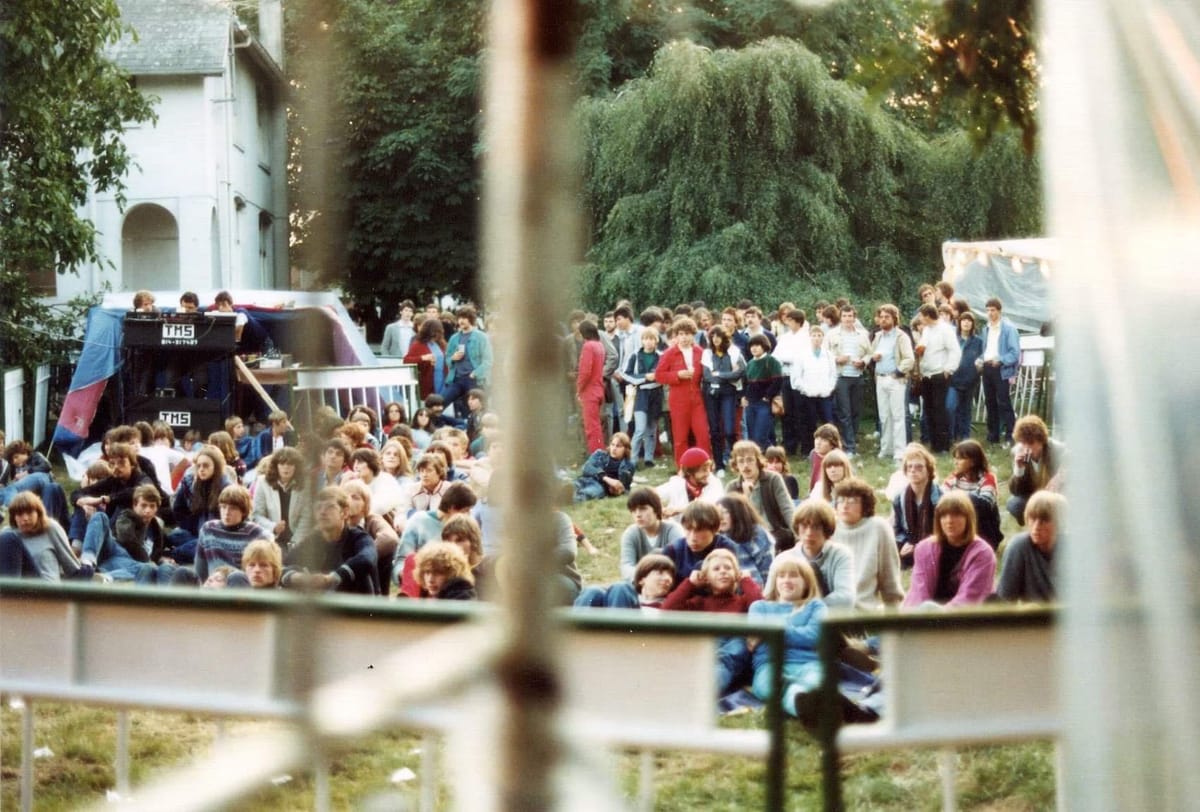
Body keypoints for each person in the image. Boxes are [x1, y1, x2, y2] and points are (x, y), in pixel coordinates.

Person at [661, 547, 763, 694]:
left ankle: (702, 690)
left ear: (736, 574)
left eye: (728, 568)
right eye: (716, 569)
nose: (723, 571)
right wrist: (690, 583)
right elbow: (667, 610)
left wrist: (746, 580)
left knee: (738, 643)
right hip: (705, 650)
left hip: (730, 654)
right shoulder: (700, 603)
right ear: (706, 577)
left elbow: (760, 607)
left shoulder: (743, 601)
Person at [747, 555, 828, 717]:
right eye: (781, 576)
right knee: (769, 686)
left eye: (794, 575)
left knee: (814, 683)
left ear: (806, 581)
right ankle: (805, 707)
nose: (786, 580)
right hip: (769, 663)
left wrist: (774, 628)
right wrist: (797, 629)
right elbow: (753, 640)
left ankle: (808, 706)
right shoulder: (759, 607)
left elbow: (814, 636)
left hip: (807, 662)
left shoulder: (815, 606)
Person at [903, 491, 996, 608]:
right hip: (926, 616)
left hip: (963, 619)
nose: (949, 521)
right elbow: (919, 593)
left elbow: (970, 597)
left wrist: (939, 617)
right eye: (944, 515)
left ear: (968, 518)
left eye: (956, 515)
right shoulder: (924, 548)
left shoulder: (983, 553)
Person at [282, 486, 379, 594]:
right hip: (323, 606)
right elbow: (283, 564)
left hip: (358, 605)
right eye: (318, 507)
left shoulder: (359, 537)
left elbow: (367, 558)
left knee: (360, 572)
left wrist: (331, 579)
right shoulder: (312, 541)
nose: (322, 512)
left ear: (345, 512)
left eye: (330, 507)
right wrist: (298, 577)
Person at [830, 478, 905, 610]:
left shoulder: (878, 527)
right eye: (841, 500)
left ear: (865, 505)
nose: (845, 505)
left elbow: (890, 578)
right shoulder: (830, 527)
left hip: (864, 610)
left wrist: (893, 613)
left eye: (852, 501)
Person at [78, 484, 170, 583]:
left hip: (128, 563)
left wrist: (162, 559)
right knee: (100, 516)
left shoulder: (156, 530)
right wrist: (148, 560)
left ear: (156, 509)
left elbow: (160, 551)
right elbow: (126, 539)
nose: (147, 510)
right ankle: (87, 561)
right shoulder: (127, 516)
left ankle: (105, 578)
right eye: (143, 505)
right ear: (135, 505)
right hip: (114, 548)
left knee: (148, 569)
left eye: (152, 506)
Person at [182, 485, 269, 586]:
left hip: (238, 587)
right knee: (183, 572)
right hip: (213, 586)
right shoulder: (208, 529)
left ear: (243, 511)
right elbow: (200, 569)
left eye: (233, 508)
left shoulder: (256, 533)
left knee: (236, 577)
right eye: (223, 507)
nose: (227, 512)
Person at [655, 316, 712, 468]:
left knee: (703, 435)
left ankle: (705, 465)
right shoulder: (669, 353)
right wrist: (677, 375)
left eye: (687, 334)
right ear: (676, 336)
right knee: (680, 437)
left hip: (697, 399)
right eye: (681, 334)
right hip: (678, 400)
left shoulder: (700, 352)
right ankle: (682, 468)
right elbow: (659, 375)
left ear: (693, 335)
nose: (684, 338)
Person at [996, 490, 1064, 602]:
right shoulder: (1018, 547)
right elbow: (1005, 601)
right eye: (1033, 518)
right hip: (1032, 617)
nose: (1036, 526)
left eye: (1044, 520)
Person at [726, 441, 794, 551]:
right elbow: (731, 520)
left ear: (757, 461)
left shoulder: (773, 479)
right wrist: (746, 497)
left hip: (775, 532)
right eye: (741, 461)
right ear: (736, 465)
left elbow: (787, 509)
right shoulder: (732, 487)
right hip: (746, 537)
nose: (746, 465)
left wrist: (798, 535)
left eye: (750, 460)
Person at [0, 492, 85, 581]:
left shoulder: (50, 528)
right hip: (18, 590)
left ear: (38, 513)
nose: (25, 518)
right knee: (7, 537)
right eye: (20, 514)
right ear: (14, 517)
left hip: (44, 589)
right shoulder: (8, 535)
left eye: (29, 512)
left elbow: (73, 567)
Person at [788, 500, 855, 608]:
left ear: (827, 530)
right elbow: (771, 598)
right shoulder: (785, 559)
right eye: (804, 526)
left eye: (816, 527)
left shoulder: (841, 555)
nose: (809, 533)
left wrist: (808, 609)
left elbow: (846, 598)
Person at [870, 304, 916, 461]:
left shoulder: (901, 336)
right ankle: (886, 449)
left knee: (898, 416)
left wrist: (898, 372)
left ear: (894, 318)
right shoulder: (878, 336)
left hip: (895, 379)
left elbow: (909, 358)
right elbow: (871, 354)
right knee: (884, 416)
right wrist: (873, 358)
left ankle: (899, 451)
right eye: (881, 317)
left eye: (887, 317)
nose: (883, 320)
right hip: (880, 378)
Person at [824, 305, 872, 456]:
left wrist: (863, 362)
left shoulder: (862, 335)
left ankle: (852, 441)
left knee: (856, 412)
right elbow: (825, 355)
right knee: (844, 413)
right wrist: (837, 359)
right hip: (841, 376)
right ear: (840, 317)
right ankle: (849, 447)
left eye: (850, 316)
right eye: (844, 316)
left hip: (857, 376)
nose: (847, 319)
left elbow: (869, 353)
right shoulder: (832, 334)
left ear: (854, 317)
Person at [915, 303, 962, 453]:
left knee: (939, 410)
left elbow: (955, 351)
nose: (920, 319)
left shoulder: (946, 329)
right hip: (926, 375)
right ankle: (934, 444)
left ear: (928, 316)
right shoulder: (927, 329)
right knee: (929, 410)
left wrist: (949, 369)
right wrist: (920, 348)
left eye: (921, 316)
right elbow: (923, 346)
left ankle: (944, 446)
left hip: (939, 374)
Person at [341, 479, 400, 596]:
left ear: (365, 504)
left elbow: (390, 539)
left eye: (355, 497)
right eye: (345, 496)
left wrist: (361, 556)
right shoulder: (338, 521)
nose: (349, 500)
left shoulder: (372, 519)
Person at [701, 325, 745, 474]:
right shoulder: (707, 353)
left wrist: (719, 374)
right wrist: (726, 375)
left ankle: (735, 461)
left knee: (729, 429)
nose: (715, 339)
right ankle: (719, 464)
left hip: (728, 392)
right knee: (714, 429)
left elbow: (739, 372)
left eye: (718, 336)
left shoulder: (734, 351)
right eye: (713, 336)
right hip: (711, 393)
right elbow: (707, 375)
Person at [661, 500, 739, 583]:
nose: (692, 538)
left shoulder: (726, 548)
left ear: (715, 529)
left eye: (699, 530)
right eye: (688, 529)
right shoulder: (672, 550)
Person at [943, 439, 1003, 549]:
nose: (956, 462)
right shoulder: (954, 478)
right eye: (955, 458)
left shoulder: (987, 478)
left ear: (973, 461)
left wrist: (958, 497)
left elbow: (985, 504)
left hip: (983, 528)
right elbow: (942, 499)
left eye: (960, 458)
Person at [1007, 414, 1065, 525]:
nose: (1026, 447)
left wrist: (1059, 477)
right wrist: (1019, 469)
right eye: (1023, 442)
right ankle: (1032, 522)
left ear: (1041, 441)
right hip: (1033, 494)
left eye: (1031, 443)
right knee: (1014, 504)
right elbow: (1016, 491)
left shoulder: (1057, 449)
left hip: (1055, 494)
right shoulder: (1017, 452)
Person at [251, 447, 313, 550]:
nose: (286, 468)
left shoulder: (305, 484)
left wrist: (295, 542)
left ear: (296, 467)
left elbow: (306, 516)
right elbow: (257, 515)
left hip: (297, 539)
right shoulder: (262, 482)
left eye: (290, 464)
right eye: (282, 464)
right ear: (276, 466)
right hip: (271, 539)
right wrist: (273, 527)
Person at [978, 297, 1021, 445]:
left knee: (1003, 402)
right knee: (989, 402)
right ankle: (993, 434)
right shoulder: (985, 329)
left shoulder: (1009, 329)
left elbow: (1015, 353)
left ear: (999, 311)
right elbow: (986, 351)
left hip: (1001, 369)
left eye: (993, 310)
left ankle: (1011, 434)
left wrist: (1001, 360)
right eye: (988, 310)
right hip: (987, 368)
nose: (990, 313)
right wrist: (979, 360)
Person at [618, 488, 685, 580]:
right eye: (633, 510)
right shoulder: (630, 533)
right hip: (641, 584)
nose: (638, 514)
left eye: (643, 509)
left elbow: (680, 563)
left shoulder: (673, 530)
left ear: (656, 509)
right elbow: (626, 566)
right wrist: (646, 579)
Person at [440, 305, 493, 417]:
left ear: (471, 319)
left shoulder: (481, 337)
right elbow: (447, 357)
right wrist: (452, 358)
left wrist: (475, 373)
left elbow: (488, 360)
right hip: (456, 379)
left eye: (464, 318)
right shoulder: (454, 338)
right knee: (440, 403)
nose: (461, 321)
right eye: (459, 318)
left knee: (472, 411)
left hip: (473, 380)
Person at [623, 326, 664, 469]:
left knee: (651, 429)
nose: (648, 342)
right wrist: (644, 377)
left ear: (656, 341)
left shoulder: (661, 356)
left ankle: (648, 458)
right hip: (641, 394)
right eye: (646, 339)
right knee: (639, 428)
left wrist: (657, 377)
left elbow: (665, 374)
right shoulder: (635, 356)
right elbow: (626, 374)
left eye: (651, 339)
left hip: (656, 394)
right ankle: (632, 460)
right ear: (642, 341)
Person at [574, 553, 677, 609]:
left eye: (670, 575)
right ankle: (574, 636)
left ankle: (618, 642)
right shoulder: (628, 597)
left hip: (636, 639)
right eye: (660, 573)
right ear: (642, 579)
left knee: (621, 588)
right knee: (593, 592)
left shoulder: (668, 603)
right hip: (604, 638)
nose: (668, 579)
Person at [715, 494, 774, 585]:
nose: (721, 518)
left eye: (725, 512)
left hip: (754, 587)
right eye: (718, 513)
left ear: (738, 513)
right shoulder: (717, 538)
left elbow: (766, 567)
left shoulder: (755, 533)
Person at [655, 446, 725, 519]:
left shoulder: (714, 482)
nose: (708, 473)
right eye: (704, 470)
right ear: (689, 472)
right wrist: (661, 509)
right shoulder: (677, 483)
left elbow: (705, 505)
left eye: (709, 469)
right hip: (679, 529)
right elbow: (653, 494)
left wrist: (677, 510)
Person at [742, 334, 784, 451]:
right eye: (751, 346)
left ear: (764, 346)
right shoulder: (750, 363)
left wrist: (767, 397)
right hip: (751, 404)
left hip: (764, 404)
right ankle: (759, 460)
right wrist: (744, 397)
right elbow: (747, 383)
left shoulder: (771, 361)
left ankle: (774, 457)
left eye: (757, 345)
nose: (754, 348)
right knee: (751, 437)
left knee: (761, 436)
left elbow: (777, 381)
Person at [947, 310, 983, 442]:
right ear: (959, 322)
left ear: (973, 324)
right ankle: (950, 436)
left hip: (970, 380)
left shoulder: (978, 341)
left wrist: (980, 362)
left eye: (969, 321)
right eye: (964, 320)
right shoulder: (953, 339)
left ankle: (965, 437)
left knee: (966, 410)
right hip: (953, 380)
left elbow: (982, 356)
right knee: (950, 407)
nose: (966, 323)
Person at [574, 319, 607, 454]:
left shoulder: (588, 346)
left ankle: (596, 456)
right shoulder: (599, 345)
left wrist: (579, 389)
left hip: (589, 391)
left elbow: (585, 372)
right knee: (597, 426)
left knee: (591, 428)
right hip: (599, 388)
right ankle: (600, 452)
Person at [574, 432, 636, 503]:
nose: (614, 448)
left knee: (591, 492)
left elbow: (624, 487)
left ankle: (571, 499)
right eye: (612, 445)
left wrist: (617, 491)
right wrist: (606, 478)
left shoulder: (629, 465)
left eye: (618, 446)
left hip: (600, 486)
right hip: (586, 479)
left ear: (625, 449)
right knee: (572, 486)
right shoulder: (600, 454)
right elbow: (586, 467)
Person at [412, 541, 477, 599]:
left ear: (453, 572)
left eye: (438, 573)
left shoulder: (462, 597)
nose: (430, 580)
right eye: (427, 572)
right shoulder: (430, 595)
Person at [404, 317, 449, 400]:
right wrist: (423, 358)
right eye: (434, 332)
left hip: (443, 379)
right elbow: (406, 360)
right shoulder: (418, 344)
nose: (436, 335)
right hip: (428, 379)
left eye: (438, 332)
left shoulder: (442, 343)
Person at [808, 423, 842, 494]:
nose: (818, 443)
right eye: (817, 438)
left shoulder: (838, 457)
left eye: (823, 440)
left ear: (832, 444)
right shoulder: (813, 454)